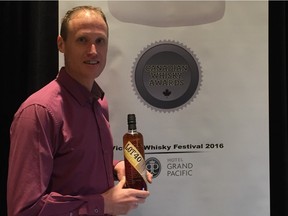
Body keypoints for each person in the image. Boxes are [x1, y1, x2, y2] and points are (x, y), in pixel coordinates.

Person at [7, 5, 152, 216]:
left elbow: (74, 163)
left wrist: (116, 167)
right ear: (61, 44)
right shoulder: (38, 112)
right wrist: (103, 204)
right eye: (82, 40)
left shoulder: (99, 103)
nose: (93, 50)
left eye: (100, 41)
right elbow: (24, 210)